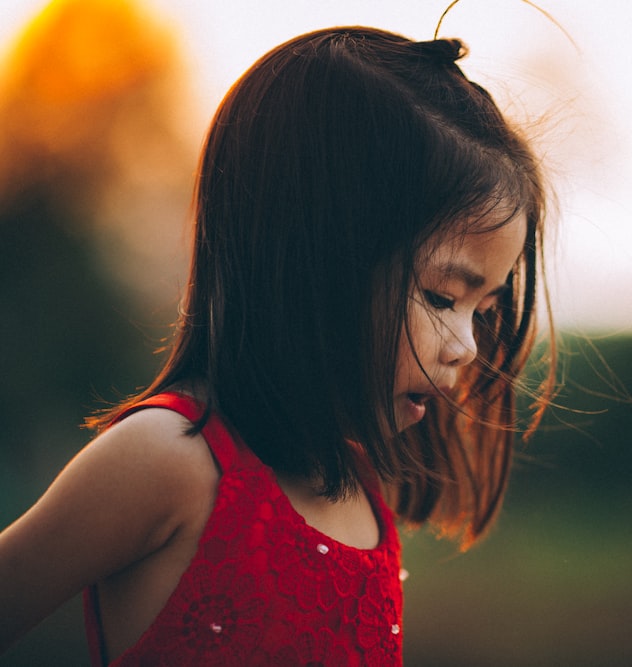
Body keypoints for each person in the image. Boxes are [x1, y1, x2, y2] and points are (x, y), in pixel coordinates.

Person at [0, 25, 555, 666]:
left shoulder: (362, 493)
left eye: (482, 312)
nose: (465, 347)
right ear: (314, 262)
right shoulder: (165, 460)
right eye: (440, 298)